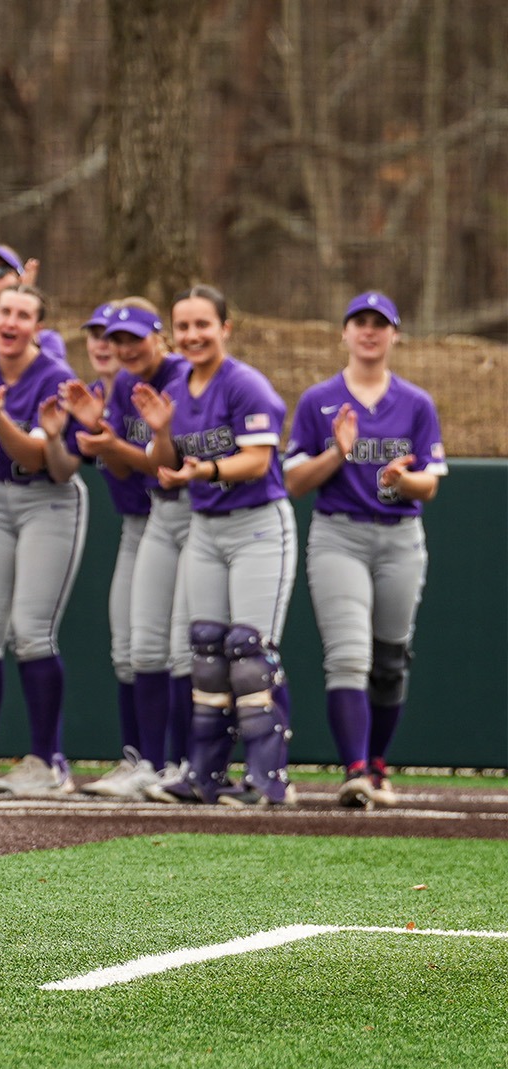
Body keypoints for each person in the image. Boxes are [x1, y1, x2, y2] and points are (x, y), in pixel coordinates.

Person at [134, 285, 297, 807]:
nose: (192, 335)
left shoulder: (245, 384)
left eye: (203, 324)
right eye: (183, 326)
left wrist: (204, 470)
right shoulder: (176, 387)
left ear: (225, 327)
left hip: (257, 526)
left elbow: (258, 460)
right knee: (206, 650)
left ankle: (268, 778)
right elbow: (162, 461)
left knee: (249, 652)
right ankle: (204, 775)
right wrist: (162, 432)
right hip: (205, 527)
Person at [284, 292, 443, 808]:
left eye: (380, 323)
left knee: (391, 659)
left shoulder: (416, 402)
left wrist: (402, 479)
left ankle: (377, 764)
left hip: (400, 537)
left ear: (395, 334)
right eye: (360, 322)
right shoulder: (319, 399)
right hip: (340, 534)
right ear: (345, 332)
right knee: (349, 656)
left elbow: (429, 485)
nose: (369, 331)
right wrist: (338, 451)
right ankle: (354, 769)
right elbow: (293, 482)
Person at [0, 284, 86, 797]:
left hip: (47, 500)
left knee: (32, 632)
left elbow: (39, 460)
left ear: (38, 327)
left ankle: (47, 761)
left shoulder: (55, 375)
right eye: (6, 311)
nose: (12, 322)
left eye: (25, 315)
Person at [62, 302, 192, 798]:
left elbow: (164, 463)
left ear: (159, 335)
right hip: (148, 520)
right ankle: (144, 760)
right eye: (113, 339)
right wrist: (102, 437)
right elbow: (119, 467)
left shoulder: (180, 376)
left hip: (193, 515)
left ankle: (181, 762)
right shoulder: (120, 385)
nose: (121, 347)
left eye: (131, 337)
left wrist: (110, 444)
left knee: (180, 648)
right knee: (135, 649)